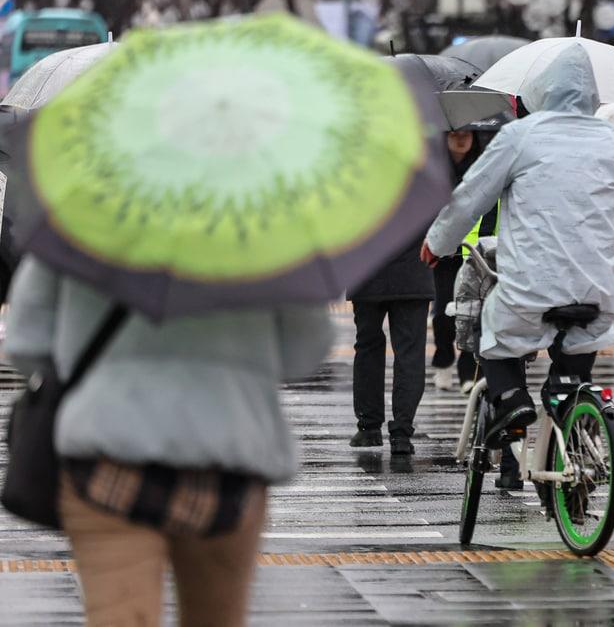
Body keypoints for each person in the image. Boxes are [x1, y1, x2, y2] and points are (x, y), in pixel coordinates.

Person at [4, 257, 333, 625]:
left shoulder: (83, 218)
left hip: (108, 449)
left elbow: (26, 342)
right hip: (229, 454)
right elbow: (305, 351)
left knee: (118, 615)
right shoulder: (264, 229)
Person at [421, 45, 614, 442]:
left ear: (540, 91)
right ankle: (571, 432)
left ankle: (511, 399)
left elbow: (472, 196)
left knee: (491, 331)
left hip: (530, 284)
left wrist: (438, 242)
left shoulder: (521, 136)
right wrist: (605, 252)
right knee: (573, 364)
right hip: (596, 286)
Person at [349, 235, 435, 455]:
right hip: (413, 269)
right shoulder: (420, 197)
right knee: (410, 353)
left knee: (368, 347)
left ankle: (369, 427)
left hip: (366, 268)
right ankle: (401, 433)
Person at [431, 128, 501, 391]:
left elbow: (492, 205)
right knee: (443, 312)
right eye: (454, 134)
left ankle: (467, 370)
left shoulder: (483, 167)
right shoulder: (435, 167)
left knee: (474, 311)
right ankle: (443, 360)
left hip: (475, 251)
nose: (461, 139)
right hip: (445, 250)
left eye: (466, 134)